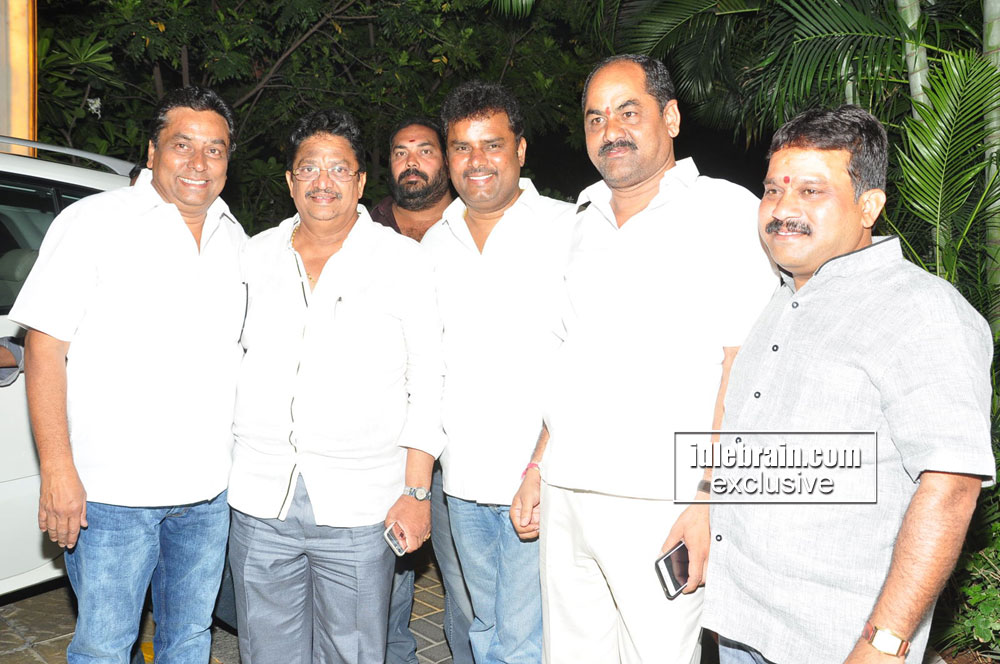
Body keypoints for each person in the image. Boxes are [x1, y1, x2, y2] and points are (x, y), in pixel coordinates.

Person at [694, 105, 995, 663]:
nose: (783, 208)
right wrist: (704, 507)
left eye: (811, 191)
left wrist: (884, 642)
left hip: (835, 642)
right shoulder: (784, 299)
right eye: (773, 189)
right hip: (741, 625)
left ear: (869, 206)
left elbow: (952, 486)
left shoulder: (922, 311)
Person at [510, 55, 777, 663]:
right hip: (568, 491)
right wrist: (537, 466)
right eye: (596, 118)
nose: (611, 130)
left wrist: (708, 501)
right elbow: (570, 359)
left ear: (671, 117)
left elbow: (742, 369)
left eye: (628, 112)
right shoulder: (579, 222)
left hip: (660, 503)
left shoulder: (726, 212)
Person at [10, 86, 246, 663]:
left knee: (189, 639)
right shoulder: (94, 222)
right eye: (182, 145)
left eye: (214, 149)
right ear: (152, 151)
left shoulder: (234, 237)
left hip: (207, 494)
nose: (198, 162)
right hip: (111, 498)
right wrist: (57, 471)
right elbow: (43, 348)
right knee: (105, 648)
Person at [227, 108, 445, 664]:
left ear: (361, 181)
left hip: (363, 502)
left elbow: (429, 379)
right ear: (289, 181)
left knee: (354, 652)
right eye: (309, 168)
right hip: (261, 498)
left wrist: (417, 493)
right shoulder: (252, 256)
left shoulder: (402, 261)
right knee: (266, 653)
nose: (322, 182)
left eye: (339, 169)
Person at [421, 80, 576, 664]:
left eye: (492, 144)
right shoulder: (435, 244)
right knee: (486, 629)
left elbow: (585, 358)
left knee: (524, 642)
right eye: (462, 147)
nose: (477, 160)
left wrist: (541, 464)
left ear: (521, 150)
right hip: (463, 481)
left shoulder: (569, 229)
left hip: (543, 477)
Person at [371, 117, 475, 664]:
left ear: (447, 160)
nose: (412, 161)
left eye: (425, 150)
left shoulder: (473, 224)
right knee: (384, 581)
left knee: (466, 583)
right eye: (400, 151)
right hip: (387, 438)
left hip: (461, 435)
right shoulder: (364, 228)